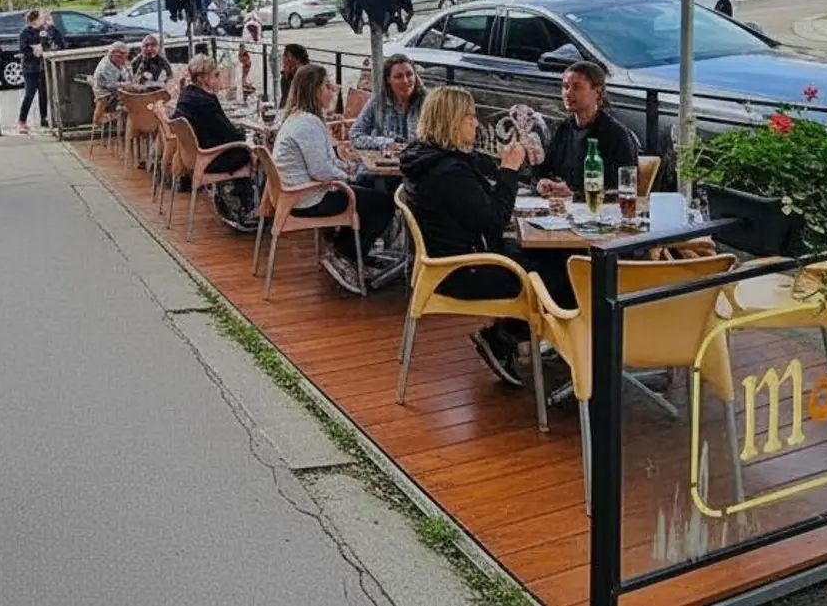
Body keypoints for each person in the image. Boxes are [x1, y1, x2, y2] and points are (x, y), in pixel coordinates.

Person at [400, 87, 576, 388]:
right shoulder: (447, 172)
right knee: (566, 272)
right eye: (469, 117)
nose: (476, 123)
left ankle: (509, 337)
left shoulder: (429, 159)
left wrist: (515, 172)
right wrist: (509, 171)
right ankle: (557, 348)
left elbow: (481, 189)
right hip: (463, 271)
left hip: (457, 258)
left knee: (557, 258)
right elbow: (495, 220)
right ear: (451, 121)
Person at [273, 63, 393, 293]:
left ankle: (347, 250)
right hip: (307, 199)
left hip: (299, 193)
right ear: (315, 91)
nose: (333, 90)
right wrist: (348, 175)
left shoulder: (300, 118)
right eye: (328, 86)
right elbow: (321, 171)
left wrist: (347, 168)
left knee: (365, 188)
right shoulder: (308, 124)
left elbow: (326, 161)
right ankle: (345, 253)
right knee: (383, 204)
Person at [174, 54, 259, 230]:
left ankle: (232, 200)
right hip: (210, 159)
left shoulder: (187, 95)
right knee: (253, 152)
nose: (219, 78)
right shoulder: (207, 102)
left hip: (194, 155)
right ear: (203, 78)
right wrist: (247, 135)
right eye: (216, 75)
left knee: (245, 147)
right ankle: (247, 207)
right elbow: (230, 135)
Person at [535, 60, 639, 200]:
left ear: (597, 92)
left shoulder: (616, 134)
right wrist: (543, 183)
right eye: (565, 87)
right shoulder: (564, 128)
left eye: (577, 87)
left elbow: (624, 187)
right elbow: (548, 169)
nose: (568, 93)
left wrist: (576, 195)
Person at [351, 54, 425, 146]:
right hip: (388, 154)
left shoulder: (427, 102)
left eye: (409, 74)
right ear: (388, 80)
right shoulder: (379, 101)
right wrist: (389, 142)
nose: (405, 81)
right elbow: (355, 135)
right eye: (398, 76)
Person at [15, 10, 62, 134]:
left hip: (43, 66)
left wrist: (52, 29)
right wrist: (33, 50)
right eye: (41, 18)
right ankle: (21, 121)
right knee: (29, 94)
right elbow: (22, 48)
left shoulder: (45, 30)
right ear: (34, 20)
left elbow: (56, 41)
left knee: (44, 94)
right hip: (30, 68)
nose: (43, 20)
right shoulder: (25, 32)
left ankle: (44, 118)